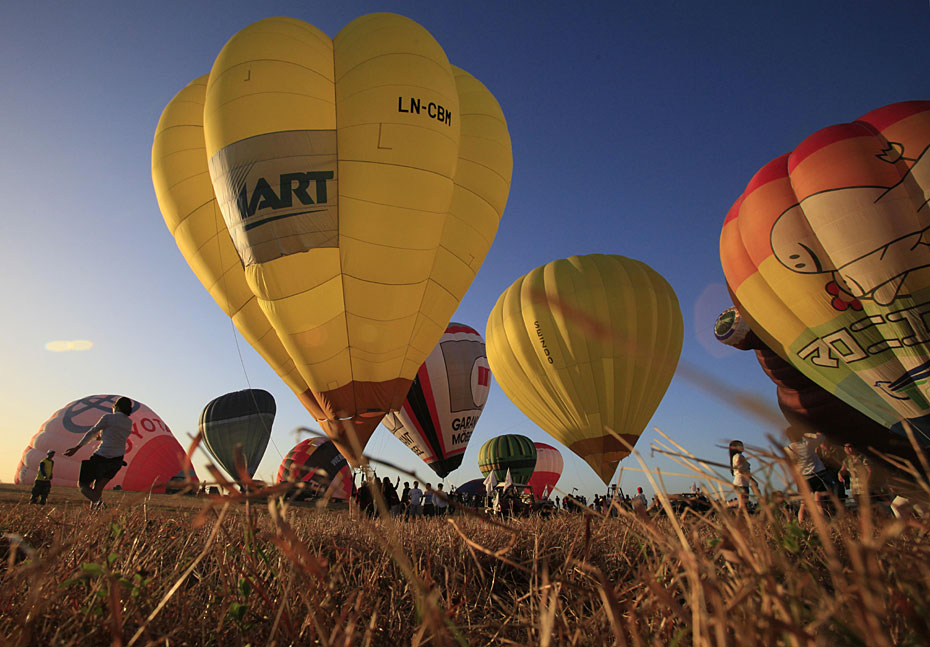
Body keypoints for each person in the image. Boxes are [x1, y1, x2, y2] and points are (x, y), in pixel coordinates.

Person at [64, 396, 133, 508]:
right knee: (98, 489)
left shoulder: (108, 417)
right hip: (117, 460)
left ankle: (100, 505)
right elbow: (115, 436)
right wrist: (102, 437)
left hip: (101, 457)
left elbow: (92, 432)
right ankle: (95, 512)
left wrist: (77, 447)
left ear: (116, 407)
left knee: (82, 485)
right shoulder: (129, 422)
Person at [783, 426, 834, 523]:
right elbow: (822, 437)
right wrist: (807, 434)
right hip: (818, 475)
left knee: (803, 504)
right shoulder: (808, 444)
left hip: (803, 478)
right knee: (819, 502)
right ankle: (823, 523)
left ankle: (801, 523)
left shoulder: (787, 449)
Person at [729, 440, 754, 510]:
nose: (743, 447)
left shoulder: (735, 456)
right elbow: (740, 469)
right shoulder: (739, 456)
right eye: (741, 446)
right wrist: (752, 480)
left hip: (740, 482)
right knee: (743, 506)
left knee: (742, 505)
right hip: (742, 482)